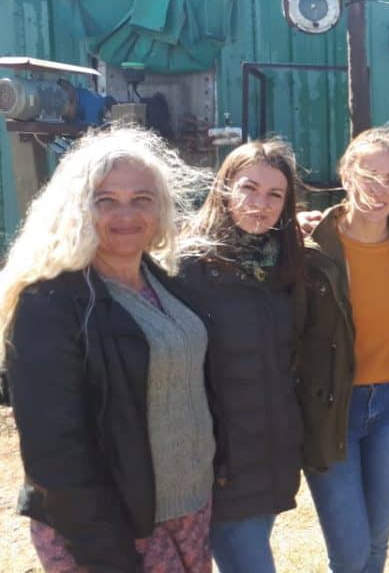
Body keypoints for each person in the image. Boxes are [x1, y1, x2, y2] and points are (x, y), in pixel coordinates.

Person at [1, 126, 215, 571]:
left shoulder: (165, 282)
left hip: (187, 509)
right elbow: (54, 451)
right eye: (105, 200)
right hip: (110, 525)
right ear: (77, 210)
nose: (126, 214)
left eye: (141, 199)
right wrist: (106, 553)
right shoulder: (52, 303)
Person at [294, 127, 389, 573]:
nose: (379, 190)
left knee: (376, 543)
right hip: (333, 408)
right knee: (351, 552)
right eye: (368, 176)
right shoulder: (313, 248)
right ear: (346, 175)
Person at [179, 139, 306, 573]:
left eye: (275, 195)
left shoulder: (283, 266)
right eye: (249, 188)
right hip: (220, 465)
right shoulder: (188, 267)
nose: (260, 204)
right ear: (224, 189)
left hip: (270, 453)